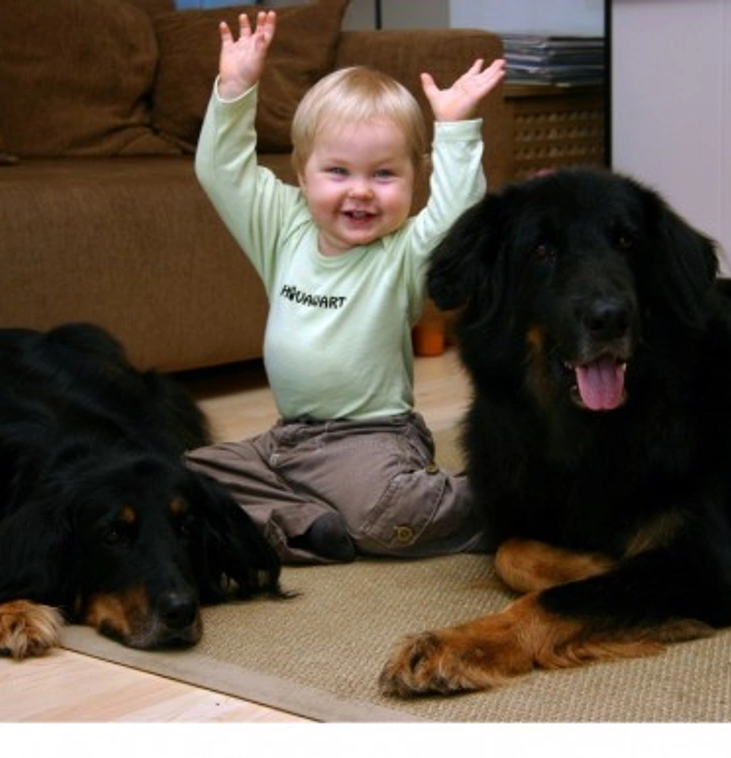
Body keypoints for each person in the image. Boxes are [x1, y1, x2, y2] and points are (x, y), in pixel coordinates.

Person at [187, 10, 506, 564]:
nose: (360, 192)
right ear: (302, 173)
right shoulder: (283, 228)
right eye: (338, 172)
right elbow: (223, 172)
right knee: (182, 478)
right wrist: (236, 89)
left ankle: (505, 501)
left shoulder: (402, 252)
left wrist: (454, 129)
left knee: (388, 515)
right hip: (285, 442)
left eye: (384, 175)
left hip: (372, 441)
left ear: (413, 180)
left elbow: (459, 211)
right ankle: (308, 522)